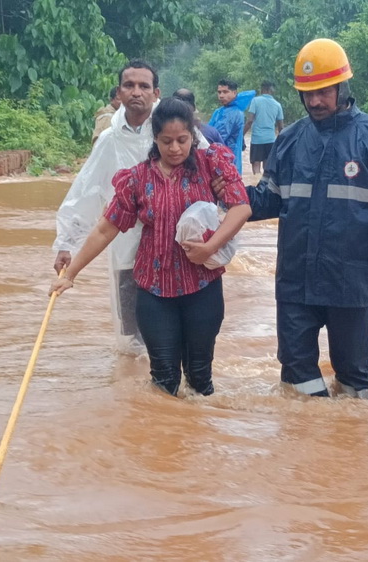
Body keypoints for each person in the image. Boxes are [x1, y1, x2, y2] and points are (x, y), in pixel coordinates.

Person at [243, 38, 368, 399]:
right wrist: (224, 192)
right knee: (297, 379)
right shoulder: (291, 140)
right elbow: (267, 200)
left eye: (324, 91)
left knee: (355, 380)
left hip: (351, 281)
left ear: (343, 87)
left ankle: (349, 450)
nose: (315, 101)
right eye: (307, 93)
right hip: (296, 282)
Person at [51, 98, 252, 396]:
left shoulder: (211, 165)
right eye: (166, 141)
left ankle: (196, 439)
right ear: (154, 138)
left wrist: (209, 247)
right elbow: (106, 229)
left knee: (200, 379)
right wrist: (70, 274)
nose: (174, 149)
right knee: (164, 379)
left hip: (203, 288)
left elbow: (241, 208)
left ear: (192, 137)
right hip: (154, 292)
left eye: (182, 140)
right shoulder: (136, 180)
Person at [53, 60, 209, 353]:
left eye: (143, 86)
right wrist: (66, 244)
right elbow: (86, 191)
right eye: (129, 85)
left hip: (176, 246)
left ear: (155, 92)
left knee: (183, 333)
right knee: (131, 341)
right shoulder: (110, 139)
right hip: (126, 248)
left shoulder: (176, 130)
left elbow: (213, 177)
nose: (136, 92)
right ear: (119, 92)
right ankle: (136, 391)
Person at [208, 79, 255, 175]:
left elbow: (215, 137)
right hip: (227, 160)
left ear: (234, 93)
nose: (221, 95)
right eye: (219, 92)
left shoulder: (232, 113)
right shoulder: (223, 110)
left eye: (225, 92)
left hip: (225, 162)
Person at [244, 81, 284, 175]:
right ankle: (265, 187)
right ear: (271, 90)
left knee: (256, 165)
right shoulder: (277, 105)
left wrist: (241, 135)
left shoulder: (255, 101)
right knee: (267, 168)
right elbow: (281, 127)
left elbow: (249, 121)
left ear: (262, 89)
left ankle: (256, 186)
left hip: (257, 140)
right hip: (271, 140)